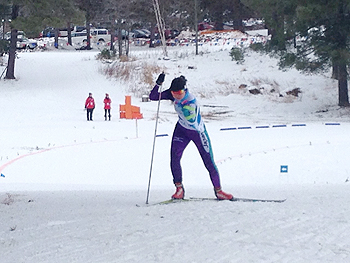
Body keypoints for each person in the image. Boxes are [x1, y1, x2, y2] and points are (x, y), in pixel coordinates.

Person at [149, 73, 233, 200]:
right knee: (174, 158)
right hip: (181, 130)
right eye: (173, 93)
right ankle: (179, 189)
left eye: (179, 93)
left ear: (184, 90)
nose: (176, 96)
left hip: (197, 131)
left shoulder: (190, 101)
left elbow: (191, 119)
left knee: (208, 161)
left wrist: (180, 104)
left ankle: (219, 191)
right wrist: (158, 83)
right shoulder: (173, 94)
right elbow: (153, 97)